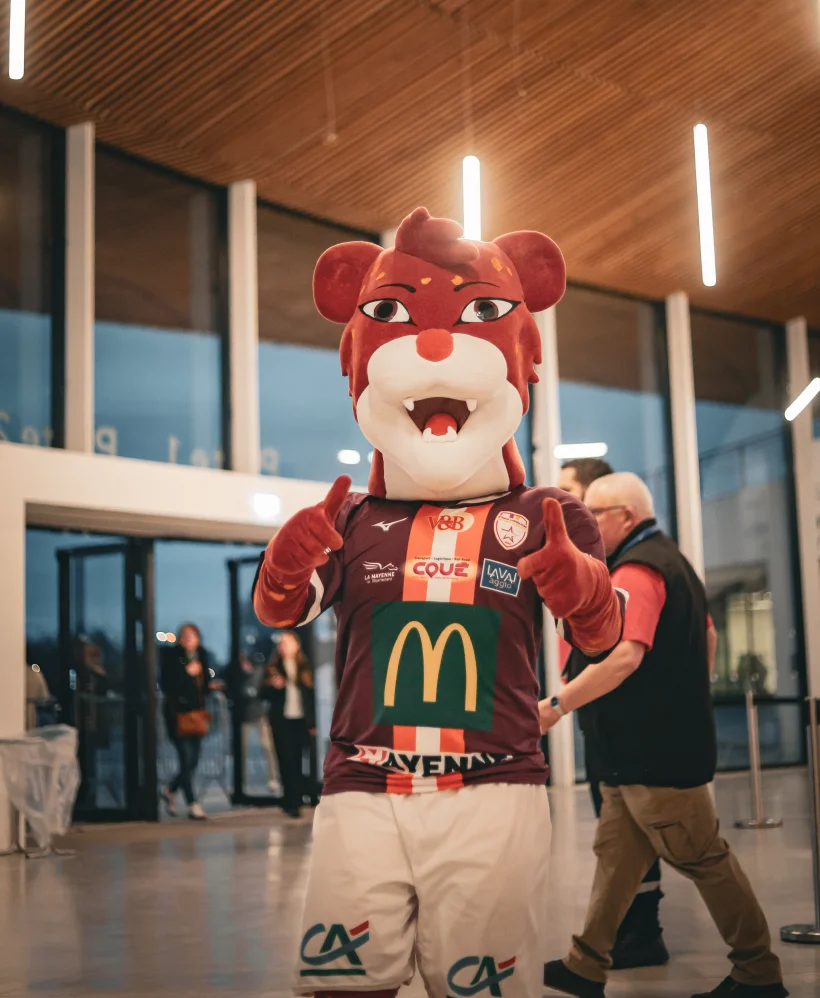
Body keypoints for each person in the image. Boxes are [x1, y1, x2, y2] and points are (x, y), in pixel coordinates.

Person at [254, 206, 625, 998]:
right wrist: (284, 564)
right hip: (364, 791)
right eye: (393, 315)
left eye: (477, 314)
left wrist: (578, 581)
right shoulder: (349, 520)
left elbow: (605, 630)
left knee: (481, 989)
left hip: (493, 792)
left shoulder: (546, 515)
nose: (431, 347)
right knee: (341, 986)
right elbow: (280, 610)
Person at [542, 473, 786, 998]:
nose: (586, 526)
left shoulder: (637, 570)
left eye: (594, 515)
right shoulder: (670, 561)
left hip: (651, 754)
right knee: (617, 857)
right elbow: (708, 639)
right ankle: (586, 963)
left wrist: (557, 706)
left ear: (626, 516)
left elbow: (625, 656)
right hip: (638, 754)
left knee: (703, 857)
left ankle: (758, 972)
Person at [560, 458, 668, 970]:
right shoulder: (588, 566)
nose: (559, 503)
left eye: (570, 493)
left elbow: (629, 653)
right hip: (597, 713)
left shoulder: (631, 567)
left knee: (677, 843)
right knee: (615, 829)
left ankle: (641, 931)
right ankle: (611, 940)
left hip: (620, 718)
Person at [159, 623, 216, 821]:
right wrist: (186, 673)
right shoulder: (172, 657)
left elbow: (205, 687)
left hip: (197, 715)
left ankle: (170, 790)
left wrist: (210, 684)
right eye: (185, 636)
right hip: (177, 715)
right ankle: (193, 803)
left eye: (193, 636)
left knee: (193, 760)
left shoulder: (202, 656)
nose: (189, 639)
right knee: (185, 756)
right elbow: (167, 683)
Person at [263, 631, 316, 818]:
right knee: (286, 760)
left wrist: (314, 722)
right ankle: (291, 801)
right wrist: (272, 686)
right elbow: (262, 693)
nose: (283, 646)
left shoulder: (306, 666)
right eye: (281, 643)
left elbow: (312, 697)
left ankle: (304, 794)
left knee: (302, 759)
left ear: (297, 644)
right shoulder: (273, 667)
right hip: (282, 720)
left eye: (287, 642)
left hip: (302, 720)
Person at [235, 651, 281, 794]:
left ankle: (273, 778)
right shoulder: (238, 674)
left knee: (268, 747)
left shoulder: (258, 671)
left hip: (259, 714)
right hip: (244, 715)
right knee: (242, 749)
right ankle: (241, 781)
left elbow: (257, 690)